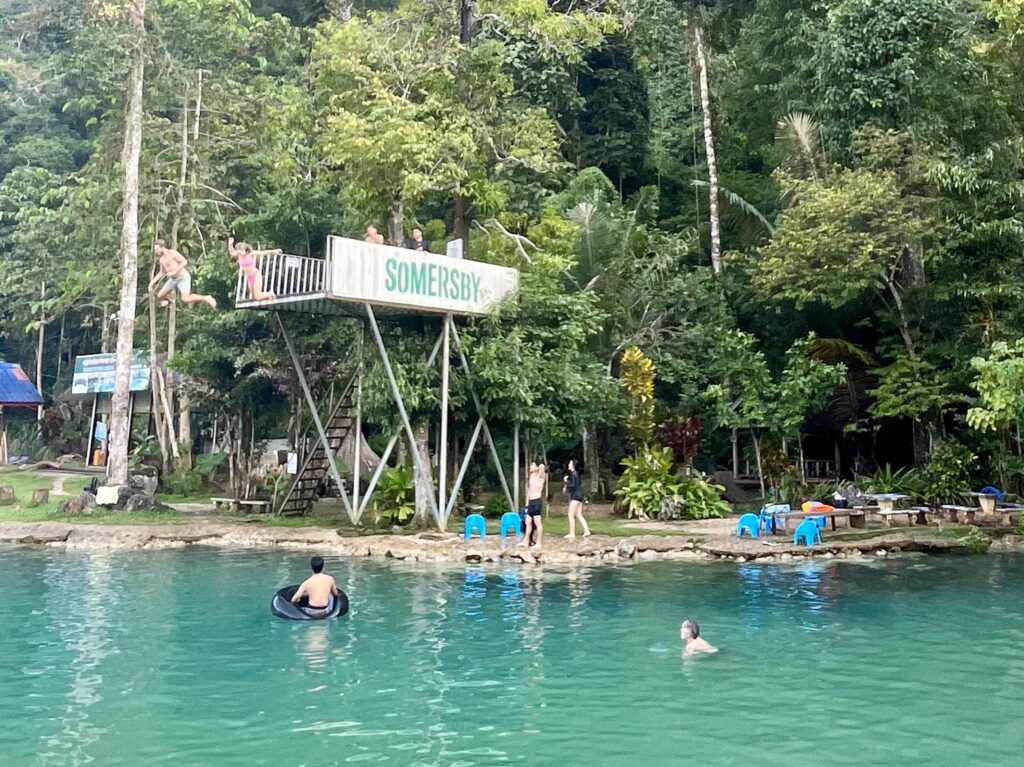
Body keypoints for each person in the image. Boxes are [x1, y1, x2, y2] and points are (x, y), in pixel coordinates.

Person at [148, 240, 217, 308]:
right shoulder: (162, 259)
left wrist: (174, 272)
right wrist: (151, 283)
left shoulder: (172, 253)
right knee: (160, 296)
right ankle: (170, 301)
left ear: (162, 247)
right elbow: (161, 272)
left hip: (183, 278)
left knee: (185, 299)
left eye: (157, 249)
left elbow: (184, 262)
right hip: (173, 280)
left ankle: (206, 298)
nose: (156, 252)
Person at [563, 458, 591, 539]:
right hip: (580, 496)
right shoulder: (577, 474)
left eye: (570, 464)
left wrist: (566, 481)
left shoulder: (573, 474)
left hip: (575, 496)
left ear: (573, 466)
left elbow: (572, 485)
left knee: (570, 514)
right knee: (579, 514)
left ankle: (572, 533)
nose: (568, 465)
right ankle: (587, 530)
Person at [522, 460, 546, 549]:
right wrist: (527, 504)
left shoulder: (541, 476)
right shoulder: (531, 476)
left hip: (537, 501)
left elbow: (542, 466)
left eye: (532, 465)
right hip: (531, 502)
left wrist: (537, 465)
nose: (530, 467)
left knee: (537, 522)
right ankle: (526, 541)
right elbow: (529, 490)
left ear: (536, 467)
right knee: (527, 521)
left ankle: (539, 543)